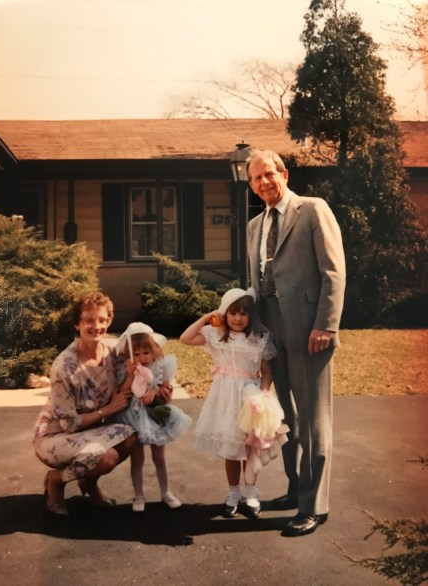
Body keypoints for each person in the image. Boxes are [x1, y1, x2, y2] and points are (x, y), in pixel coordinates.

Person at [246, 149, 346, 537]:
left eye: (269, 174)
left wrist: (326, 325)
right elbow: (255, 280)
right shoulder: (255, 225)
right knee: (284, 417)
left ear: (284, 174)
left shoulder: (313, 210)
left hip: (309, 330)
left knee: (313, 418)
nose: (263, 182)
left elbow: (334, 272)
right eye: (256, 178)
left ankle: (314, 506)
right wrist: (252, 327)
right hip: (270, 327)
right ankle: (296, 488)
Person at [33, 291, 136, 516]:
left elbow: (129, 382)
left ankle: (88, 482)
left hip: (89, 430)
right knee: (106, 457)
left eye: (102, 320)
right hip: (55, 434)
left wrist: (157, 388)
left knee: (130, 438)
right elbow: (68, 424)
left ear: (109, 321)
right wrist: (108, 409)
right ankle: (56, 480)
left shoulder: (112, 354)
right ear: (77, 324)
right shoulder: (65, 366)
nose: (96, 326)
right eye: (89, 320)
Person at [180, 287, 279, 519]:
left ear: (251, 316)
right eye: (233, 313)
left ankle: (251, 493)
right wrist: (207, 317)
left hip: (249, 397)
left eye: (243, 314)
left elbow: (266, 372)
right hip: (225, 398)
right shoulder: (216, 336)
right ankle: (233, 493)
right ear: (224, 314)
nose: (238, 319)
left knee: (250, 448)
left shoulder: (258, 339)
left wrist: (263, 395)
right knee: (232, 449)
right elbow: (185, 338)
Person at [112, 322, 192, 513]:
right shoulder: (126, 368)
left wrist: (155, 392)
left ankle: (166, 492)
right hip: (134, 414)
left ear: (153, 350)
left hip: (155, 412)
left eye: (146, 353)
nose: (142, 358)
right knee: (137, 457)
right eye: (137, 354)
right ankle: (139, 495)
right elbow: (122, 390)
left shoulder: (160, 366)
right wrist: (130, 376)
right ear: (130, 355)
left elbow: (165, 387)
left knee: (159, 456)